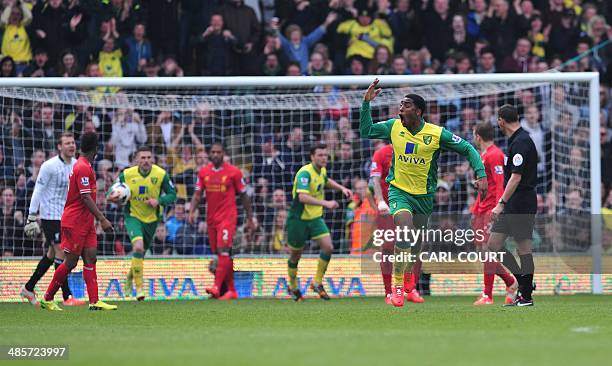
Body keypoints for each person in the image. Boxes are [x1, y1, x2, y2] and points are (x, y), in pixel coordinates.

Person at [360, 79, 488, 307]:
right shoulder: (393, 127)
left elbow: (468, 148)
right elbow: (366, 130)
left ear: (418, 111)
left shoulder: (436, 134)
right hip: (399, 192)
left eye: (406, 105)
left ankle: (409, 281)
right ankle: (396, 289)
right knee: (405, 232)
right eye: (400, 104)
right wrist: (366, 104)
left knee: (417, 245)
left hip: (424, 197)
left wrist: (481, 174)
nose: (401, 107)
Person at [39, 132, 116, 311]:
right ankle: (48, 298)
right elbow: (85, 198)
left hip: (86, 222)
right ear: (96, 149)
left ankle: (95, 301)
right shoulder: (82, 167)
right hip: (74, 222)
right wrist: (102, 219)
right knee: (71, 262)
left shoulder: (84, 165)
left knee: (91, 257)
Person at [21, 133, 85, 306]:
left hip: (67, 216)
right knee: (62, 253)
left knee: (51, 255)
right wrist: (31, 217)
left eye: (73, 143)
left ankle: (28, 288)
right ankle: (66, 297)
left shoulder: (77, 165)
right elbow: (38, 191)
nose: (71, 146)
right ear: (59, 146)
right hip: (50, 216)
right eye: (67, 143)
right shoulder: (49, 166)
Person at [188, 143, 257, 300]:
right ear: (210, 154)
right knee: (220, 253)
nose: (216, 154)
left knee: (223, 250)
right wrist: (191, 211)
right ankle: (231, 290)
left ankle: (217, 287)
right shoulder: (203, 172)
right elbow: (198, 194)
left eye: (219, 152)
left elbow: (244, 196)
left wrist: (250, 217)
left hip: (228, 217)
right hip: (211, 218)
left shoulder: (234, 172)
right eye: (213, 152)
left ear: (223, 154)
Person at [107, 146, 177, 301]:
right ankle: (139, 289)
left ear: (152, 159)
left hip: (152, 220)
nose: (146, 161)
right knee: (138, 247)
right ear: (136, 160)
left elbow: (173, 195)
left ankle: (130, 278)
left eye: (148, 158)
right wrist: (112, 197)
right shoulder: (127, 174)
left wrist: (159, 200)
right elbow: (111, 191)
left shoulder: (160, 174)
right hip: (133, 216)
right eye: (143, 158)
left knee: (141, 253)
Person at [285, 144, 352, 301]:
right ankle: (293, 287)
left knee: (328, 247)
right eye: (320, 155)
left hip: (315, 219)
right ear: (312, 157)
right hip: (298, 220)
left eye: (325, 155)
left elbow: (325, 180)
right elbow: (302, 197)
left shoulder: (321, 170)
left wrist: (342, 188)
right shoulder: (305, 173)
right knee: (296, 255)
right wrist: (326, 203)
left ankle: (317, 282)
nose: (324, 158)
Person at [486, 105, 539, 307]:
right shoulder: (516, 140)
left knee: (523, 248)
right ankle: (524, 283)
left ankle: (525, 296)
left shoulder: (521, 142)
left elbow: (516, 178)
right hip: (514, 203)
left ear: (501, 121)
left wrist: (500, 203)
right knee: (493, 245)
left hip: (522, 201)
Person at [371, 143, 424, 305]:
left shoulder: (413, 150)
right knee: (388, 249)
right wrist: (379, 200)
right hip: (388, 208)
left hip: (410, 205)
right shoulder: (381, 154)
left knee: (416, 246)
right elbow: (375, 179)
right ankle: (389, 292)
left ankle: (411, 289)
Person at [471, 122, 518, 306]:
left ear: (478, 136)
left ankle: (487, 295)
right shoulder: (484, 155)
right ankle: (511, 282)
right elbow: (489, 184)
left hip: (491, 209)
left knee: (488, 252)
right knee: (482, 252)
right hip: (481, 209)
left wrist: (498, 207)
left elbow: (500, 183)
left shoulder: (495, 155)